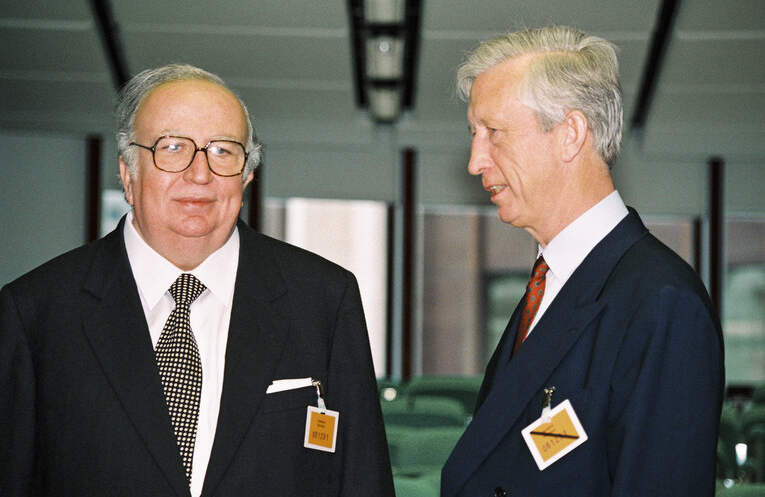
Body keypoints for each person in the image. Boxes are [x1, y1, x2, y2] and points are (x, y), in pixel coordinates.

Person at [0, 64, 394, 497]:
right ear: (128, 175)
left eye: (223, 151)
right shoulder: (35, 311)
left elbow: (362, 480)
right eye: (171, 147)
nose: (200, 174)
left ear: (247, 176)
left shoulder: (323, 299)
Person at [440, 27, 724, 496]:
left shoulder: (662, 303)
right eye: (474, 134)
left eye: (494, 133)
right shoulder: (550, 284)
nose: (475, 161)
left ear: (570, 134)